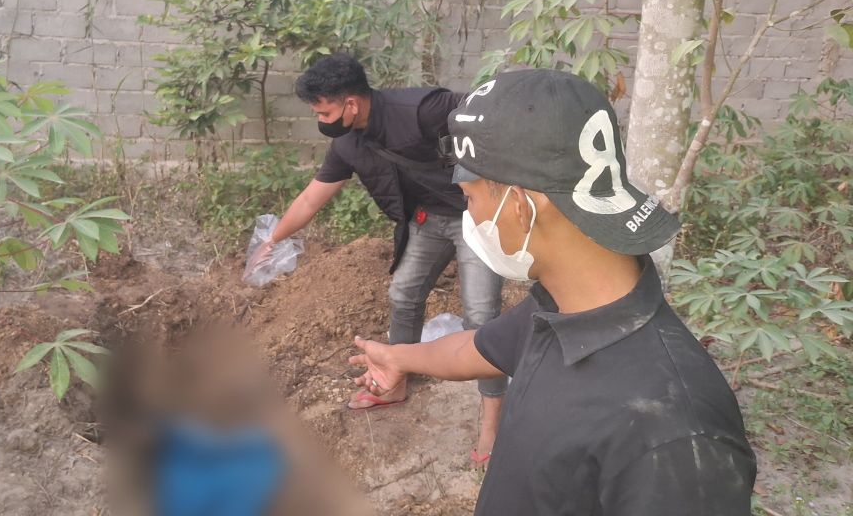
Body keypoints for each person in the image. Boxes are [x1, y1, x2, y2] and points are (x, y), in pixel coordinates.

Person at [349, 68, 757, 515]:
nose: (470, 215)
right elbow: (480, 348)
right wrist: (398, 357)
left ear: (521, 206)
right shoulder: (563, 307)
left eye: (469, 197)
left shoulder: (676, 434)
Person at [250, 53, 506, 466]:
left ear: (351, 104)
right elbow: (313, 196)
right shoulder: (347, 143)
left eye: (325, 110)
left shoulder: (423, 109)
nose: (322, 119)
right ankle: (395, 381)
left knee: (481, 315)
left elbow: (490, 118)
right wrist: (273, 239)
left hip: (476, 218)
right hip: (426, 221)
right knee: (403, 293)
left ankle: (493, 421)